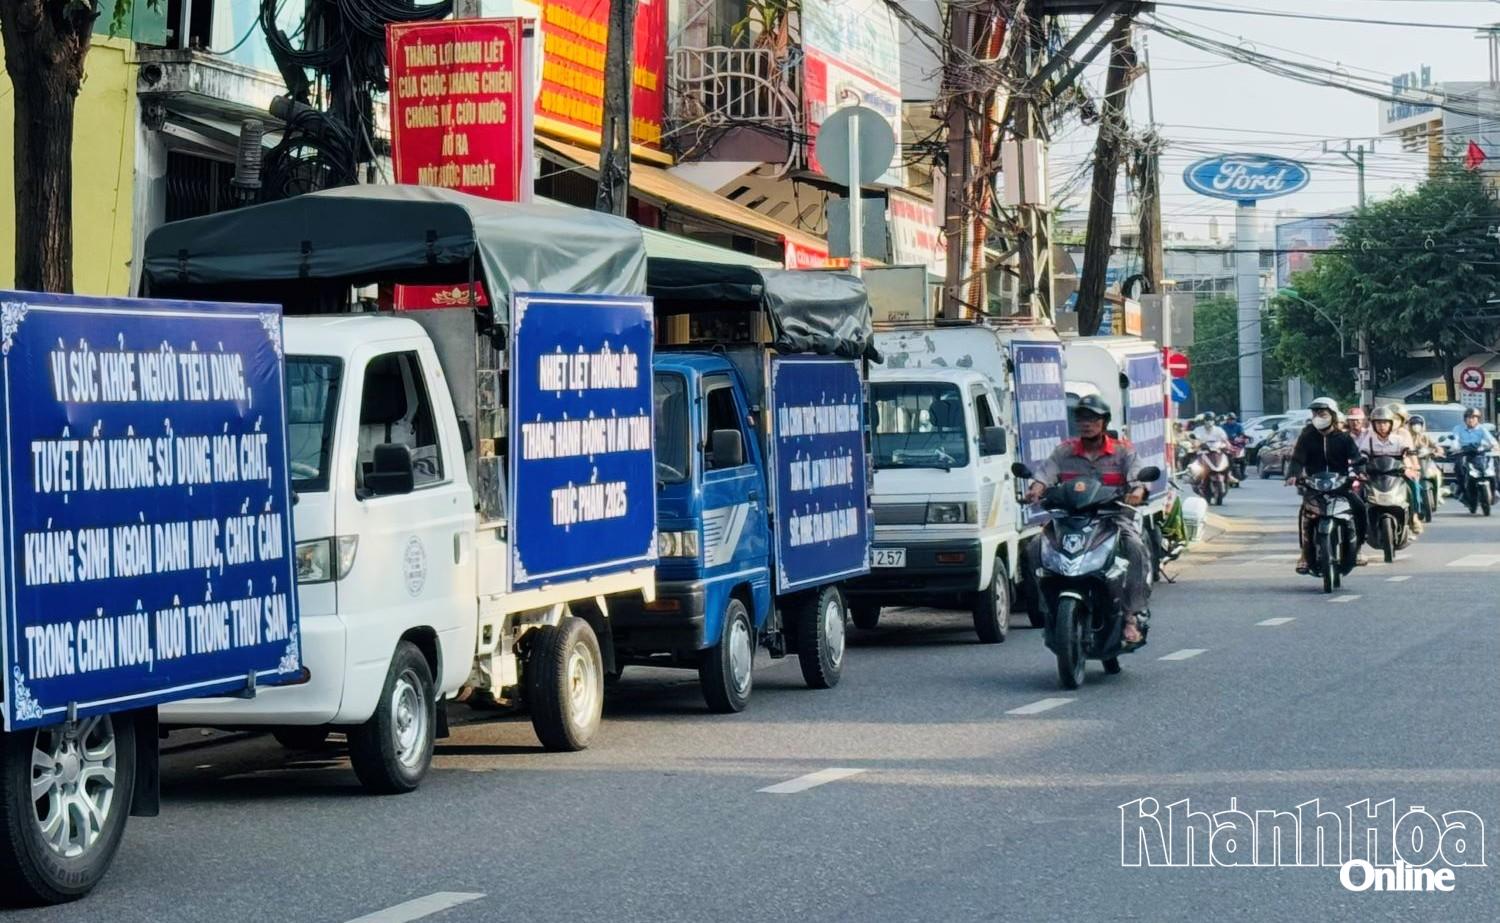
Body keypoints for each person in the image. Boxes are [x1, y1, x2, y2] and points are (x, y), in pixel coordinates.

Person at [1025, 394, 1152, 644]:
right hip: (1070, 519)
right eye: (1082, 418)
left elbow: (1138, 478)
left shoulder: (1123, 451)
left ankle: (1131, 615)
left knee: (1136, 548)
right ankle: (1047, 608)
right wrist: (1036, 489)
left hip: (1112, 518)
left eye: (1092, 418)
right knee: (1033, 549)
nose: (1086, 423)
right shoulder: (1064, 451)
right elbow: (1045, 473)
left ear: (1104, 422)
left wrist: (1137, 492)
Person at [1285, 397, 1366, 573]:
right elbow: (1298, 459)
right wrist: (1293, 475)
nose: (1318, 416)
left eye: (1322, 413)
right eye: (1315, 413)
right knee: (1305, 516)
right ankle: (1305, 555)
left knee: (1360, 508)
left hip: (1341, 485)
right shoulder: (1307, 436)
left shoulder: (1343, 438)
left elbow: (1356, 458)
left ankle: (1358, 547)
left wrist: (1361, 471)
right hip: (1314, 486)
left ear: (1333, 415)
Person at [1366, 405, 1422, 535]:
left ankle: (1414, 516)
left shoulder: (1403, 433)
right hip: (1376, 469)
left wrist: (1414, 464)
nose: (1383, 424)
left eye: (1397, 418)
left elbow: (1410, 451)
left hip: (1400, 467)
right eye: (1381, 420)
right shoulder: (1371, 434)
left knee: (1413, 484)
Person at [1450, 407, 1499, 496]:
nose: (1471, 420)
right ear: (1465, 419)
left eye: (1474, 417)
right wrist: (1456, 447)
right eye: (1469, 417)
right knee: (1459, 466)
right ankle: (1461, 489)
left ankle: (1495, 489)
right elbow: (1455, 440)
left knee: (1493, 466)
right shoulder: (1458, 428)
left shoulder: (1482, 429)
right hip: (1463, 453)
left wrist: (1495, 446)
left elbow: (1491, 440)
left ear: (1478, 419)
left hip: (1479, 453)